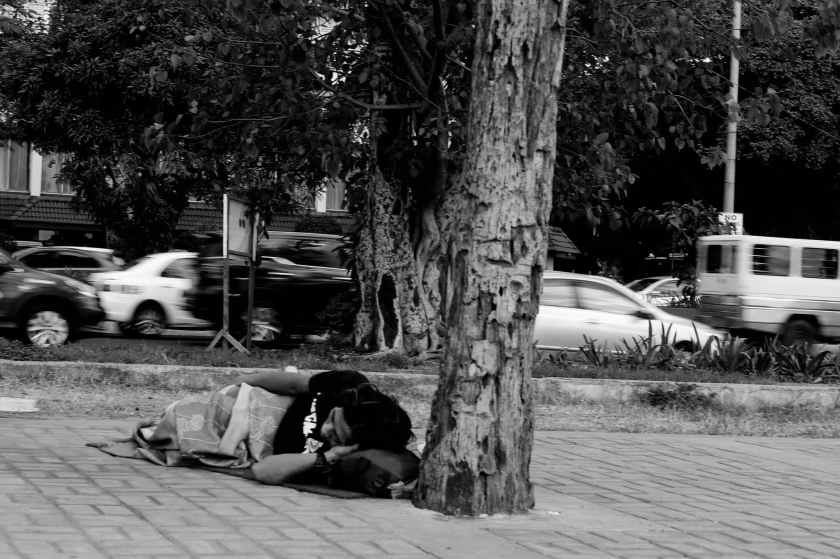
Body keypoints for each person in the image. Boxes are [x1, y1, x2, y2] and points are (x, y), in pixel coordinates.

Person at [231, 368, 413, 485]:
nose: (325, 431)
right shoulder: (348, 384)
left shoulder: (339, 458)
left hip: (254, 433)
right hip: (256, 401)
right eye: (332, 420)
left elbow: (262, 470)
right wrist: (246, 379)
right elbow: (294, 384)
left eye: (336, 437)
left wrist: (329, 455)